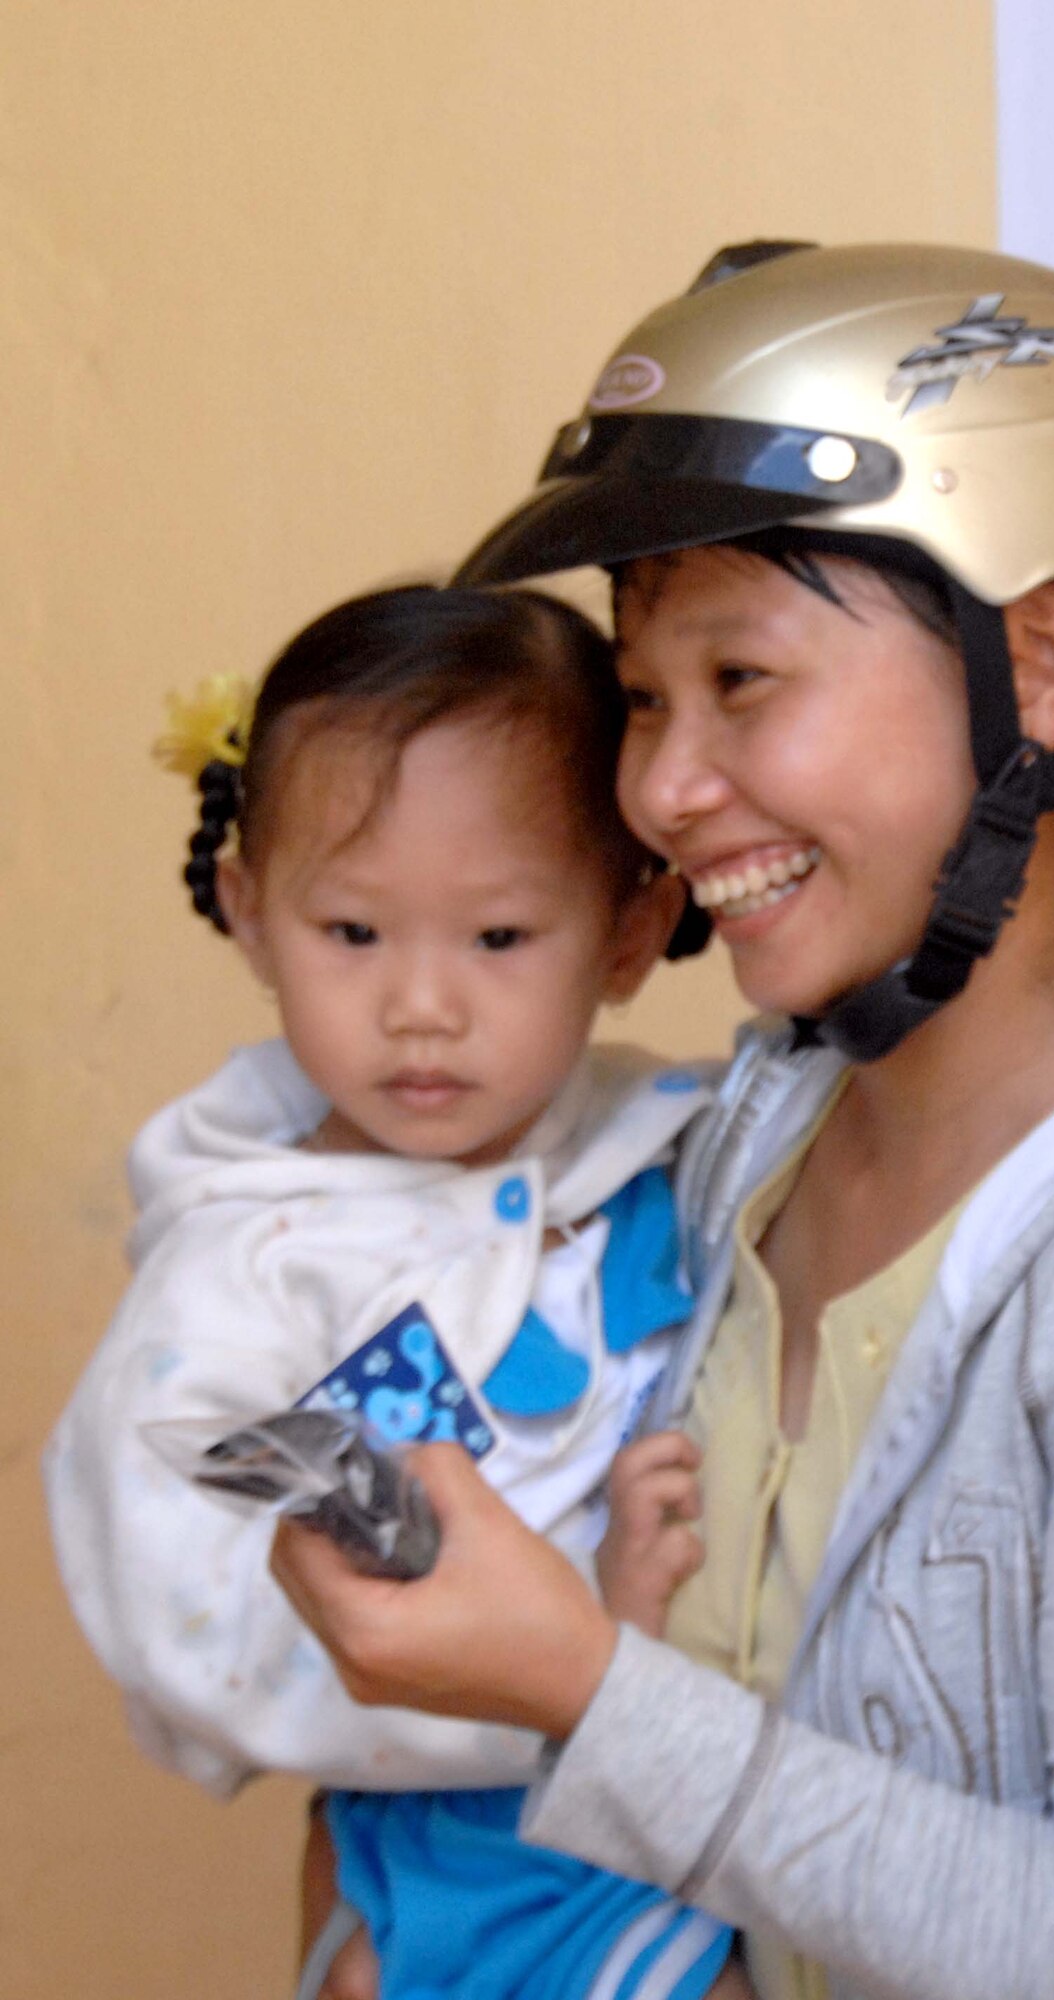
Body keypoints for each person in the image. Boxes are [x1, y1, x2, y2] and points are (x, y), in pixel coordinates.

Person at [272, 243, 1054, 2000]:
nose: (661, 790)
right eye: (645, 698)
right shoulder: (741, 1140)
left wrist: (584, 1690)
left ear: (1038, 669)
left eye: (742, 681)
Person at [43, 584, 749, 2000]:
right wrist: (588, 1666)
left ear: (628, 931)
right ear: (249, 912)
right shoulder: (248, 1275)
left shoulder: (696, 1140)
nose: (421, 1005)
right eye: (353, 934)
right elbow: (191, 1635)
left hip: (713, 1836)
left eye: (498, 940)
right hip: (456, 1856)